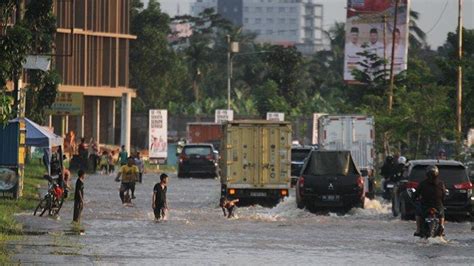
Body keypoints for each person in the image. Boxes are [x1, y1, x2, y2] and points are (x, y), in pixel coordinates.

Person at [412, 165, 446, 237]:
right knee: (442, 212)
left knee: (418, 212)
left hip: (425, 206)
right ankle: (442, 226)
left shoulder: (422, 184)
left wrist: (414, 198)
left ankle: (418, 229)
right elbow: (444, 195)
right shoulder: (441, 183)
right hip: (437, 206)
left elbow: (416, 194)